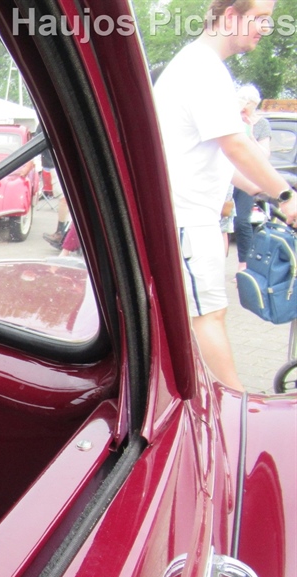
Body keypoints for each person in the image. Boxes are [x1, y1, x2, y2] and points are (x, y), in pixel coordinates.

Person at [154, 0, 297, 392]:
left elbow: (218, 154)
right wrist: (285, 194)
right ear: (231, 16)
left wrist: (266, 192)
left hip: (191, 218)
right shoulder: (203, 69)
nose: (265, 29)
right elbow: (235, 144)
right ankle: (235, 408)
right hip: (188, 220)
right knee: (208, 318)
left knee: (204, 314)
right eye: (260, 19)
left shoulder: (196, 65)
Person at [232, 83, 272, 270]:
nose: (245, 107)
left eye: (250, 103)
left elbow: (264, 154)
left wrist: (250, 135)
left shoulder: (261, 124)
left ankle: (244, 264)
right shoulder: (230, 119)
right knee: (223, 221)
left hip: (247, 175)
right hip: (229, 175)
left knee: (242, 220)